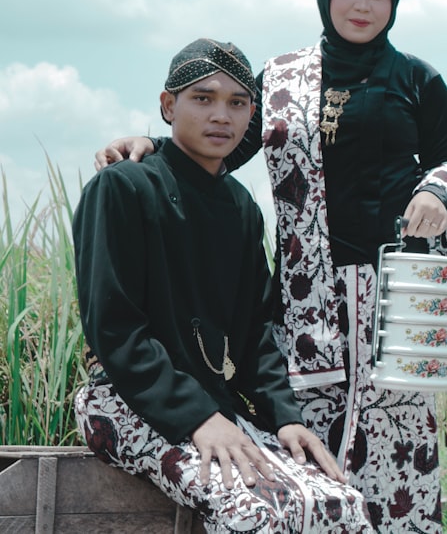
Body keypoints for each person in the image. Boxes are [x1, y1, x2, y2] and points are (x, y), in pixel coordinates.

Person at [95, 0, 447, 533]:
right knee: (313, 438)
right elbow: (219, 139)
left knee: (400, 441)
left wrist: (436, 189)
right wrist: (149, 144)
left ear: (395, 2)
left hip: (397, 297)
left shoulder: (419, 79)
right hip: (311, 300)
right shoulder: (281, 80)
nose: (363, 5)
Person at [74, 38, 374, 533]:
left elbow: (255, 330)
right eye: (203, 98)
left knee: (340, 504)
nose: (221, 115)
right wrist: (197, 417)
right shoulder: (123, 187)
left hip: (210, 404)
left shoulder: (239, 207)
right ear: (168, 105)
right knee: (252, 511)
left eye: (237, 103)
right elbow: (116, 330)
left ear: (251, 115)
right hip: (123, 401)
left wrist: (285, 418)